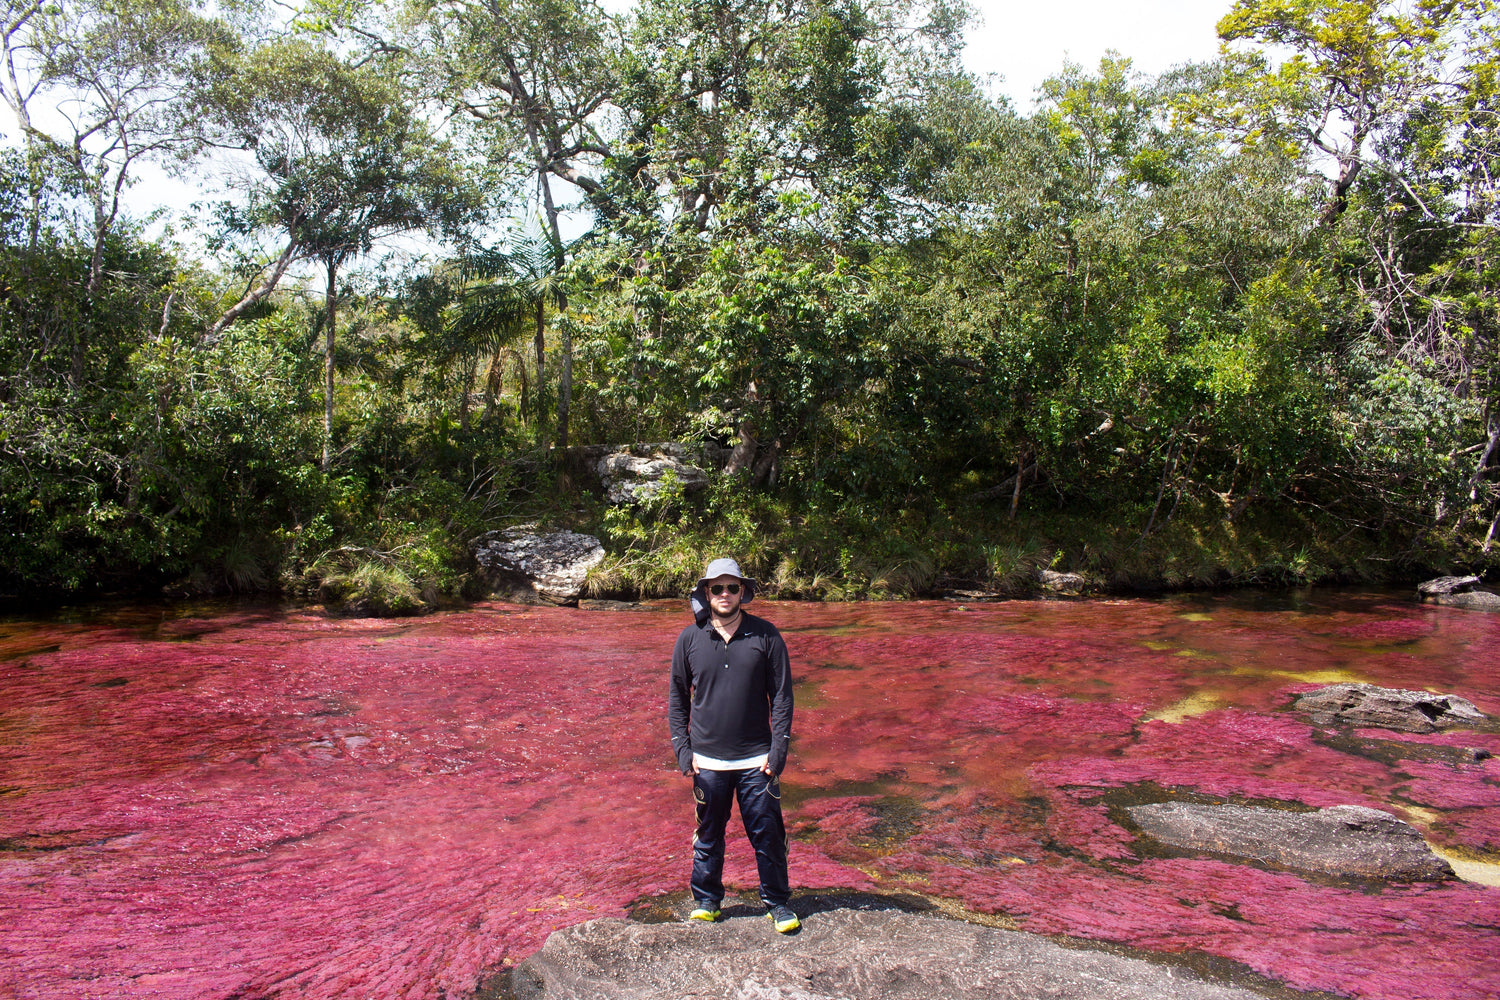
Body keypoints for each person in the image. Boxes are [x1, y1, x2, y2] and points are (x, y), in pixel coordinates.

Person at [668, 557, 798, 933]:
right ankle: (707, 900)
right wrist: (682, 750)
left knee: (769, 834)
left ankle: (777, 903)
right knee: (708, 835)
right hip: (707, 761)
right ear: (705, 593)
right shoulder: (689, 639)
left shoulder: (766, 635)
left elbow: (784, 698)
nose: (725, 595)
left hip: (758, 760)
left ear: (744, 591)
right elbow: (678, 699)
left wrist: (779, 751)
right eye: (717, 588)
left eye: (733, 587)